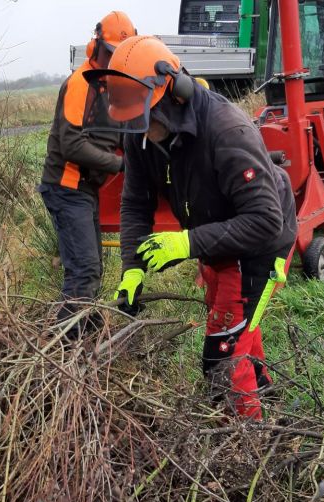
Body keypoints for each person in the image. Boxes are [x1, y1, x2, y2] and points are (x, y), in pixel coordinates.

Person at [83, 36, 298, 420]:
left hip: (261, 245)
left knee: (222, 357)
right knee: (234, 328)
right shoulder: (143, 137)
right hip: (214, 239)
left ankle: (245, 444)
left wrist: (186, 242)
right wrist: (132, 267)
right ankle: (266, 397)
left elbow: (266, 221)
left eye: (143, 117)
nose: (138, 129)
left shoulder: (226, 131)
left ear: (174, 95)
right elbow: (136, 202)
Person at [38, 11, 137, 337]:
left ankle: (86, 337)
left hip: (84, 190)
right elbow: (72, 144)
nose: (116, 58)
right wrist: (120, 165)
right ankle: (60, 351)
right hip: (66, 187)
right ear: (97, 45)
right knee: (83, 271)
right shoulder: (81, 83)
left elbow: (120, 131)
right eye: (111, 51)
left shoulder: (112, 86)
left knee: (91, 270)